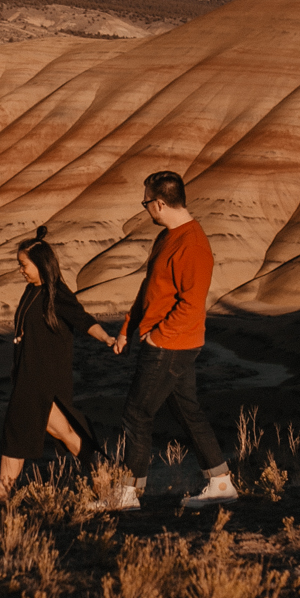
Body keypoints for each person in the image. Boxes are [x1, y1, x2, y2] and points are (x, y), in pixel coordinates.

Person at [106, 170, 239, 511]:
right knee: (187, 411)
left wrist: (156, 339)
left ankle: (127, 494)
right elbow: (150, 290)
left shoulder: (192, 243)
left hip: (171, 345)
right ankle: (220, 482)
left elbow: (192, 305)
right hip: (167, 342)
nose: (146, 209)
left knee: (136, 412)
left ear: (160, 203)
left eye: (146, 202)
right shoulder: (168, 237)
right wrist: (127, 329)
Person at [0, 227, 117, 499]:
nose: (21, 270)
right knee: (37, 433)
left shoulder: (56, 293)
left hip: (43, 379)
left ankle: (105, 476)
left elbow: (82, 319)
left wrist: (106, 338)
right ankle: (104, 476)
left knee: (56, 434)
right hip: (27, 376)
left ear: (40, 264)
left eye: (23, 265)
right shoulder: (30, 291)